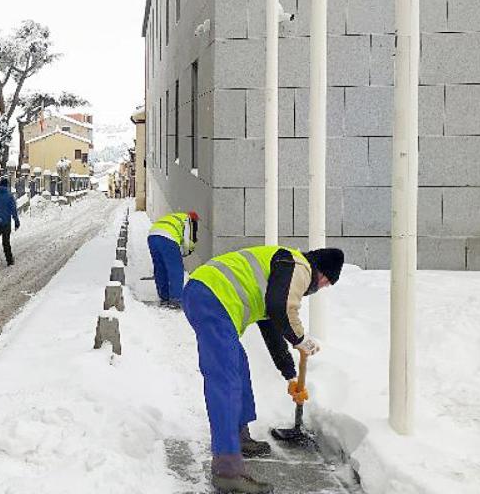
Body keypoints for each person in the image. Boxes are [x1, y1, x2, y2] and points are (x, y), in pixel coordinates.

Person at [181, 246, 345, 493]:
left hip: (208, 294)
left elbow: (273, 328)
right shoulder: (298, 267)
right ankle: (227, 471)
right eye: (327, 282)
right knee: (225, 380)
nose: (323, 287)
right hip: (211, 296)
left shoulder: (280, 274)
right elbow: (283, 310)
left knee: (238, 365)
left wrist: (290, 374)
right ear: (321, 273)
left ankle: (239, 436)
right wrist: (301, 339)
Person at [147, 211, 200, 307]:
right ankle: (176, 299)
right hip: (167, 239)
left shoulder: (174, 217)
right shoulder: (187, 220)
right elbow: (187, 241)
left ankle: (164, 296)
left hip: (152, 236)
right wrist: (188, 251)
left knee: (160, 268)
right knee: (176, 269)